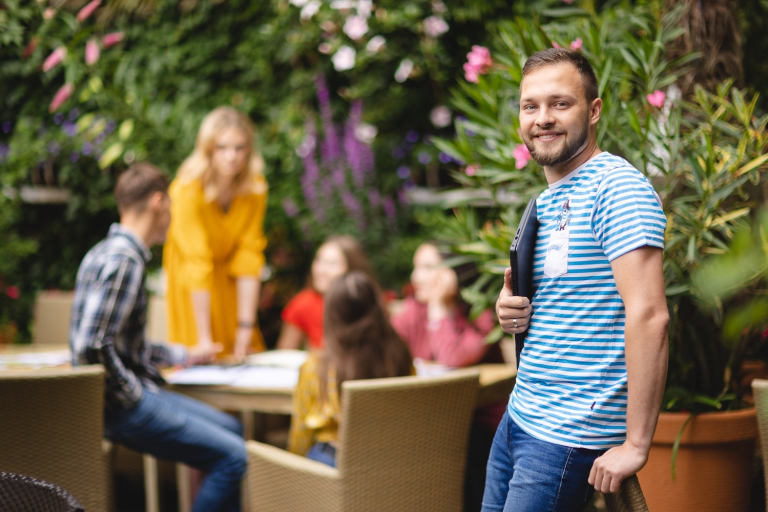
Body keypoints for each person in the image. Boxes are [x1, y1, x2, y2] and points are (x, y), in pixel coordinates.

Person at [484, 48, 669, 512]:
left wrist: (637, 444)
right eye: (531, 106)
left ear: (594, 110)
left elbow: (649, 315)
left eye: (560, 103)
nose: (542, 118)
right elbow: (568, 300)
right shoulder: (549, 199)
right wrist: (510, 307)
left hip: (566, 437)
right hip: (519, 417)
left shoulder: (616, 188)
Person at [69, 163, 247, 512]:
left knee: (232, 427)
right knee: (234, 458)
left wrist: (186, 354)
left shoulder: (104, 252)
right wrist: (133, 395)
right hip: (119, 408)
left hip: (118, 399)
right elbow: (91, 347)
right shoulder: (125, 261)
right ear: (158, 203)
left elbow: (121, 344)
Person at [164, 106, 268, 358]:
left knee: (244, 352)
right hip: (193, 282)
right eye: (221, 147)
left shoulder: (255, 189)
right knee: (200, 357)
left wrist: (246, 326)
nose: (231, 156)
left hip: (231, 280)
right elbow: (196, 261)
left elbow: (249, 257)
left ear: (249, 149)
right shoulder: (186, 189)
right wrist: (203, 339)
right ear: (207, 148)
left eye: (239, 148)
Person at [287, 271, 413, 467]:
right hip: (395, 461)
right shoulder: (400, 355)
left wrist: (294, 467)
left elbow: (301, 431)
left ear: (331, 314)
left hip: (335, 465)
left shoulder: (318, 366)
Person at [391, 242, 498, 368]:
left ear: (452, 273)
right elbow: (387, 347)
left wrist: (438, 306)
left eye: (427, 267)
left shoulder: (480, 315)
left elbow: (452, 360)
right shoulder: (414, 310)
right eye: (416, 267)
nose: (415, 277)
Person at [276, 235, 373, 351]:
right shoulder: (303, 303)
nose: (321, 270)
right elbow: (284, 355)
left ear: (351, 268)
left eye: (332, 263)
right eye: (319, 260)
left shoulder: (364, 301)